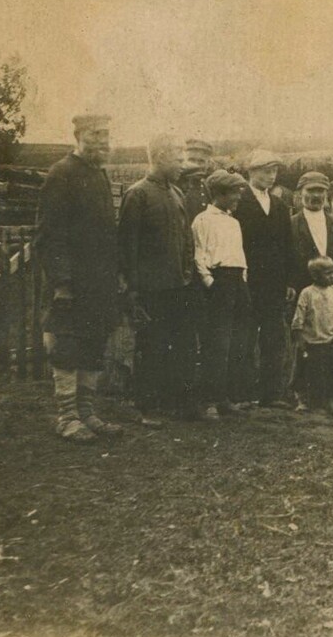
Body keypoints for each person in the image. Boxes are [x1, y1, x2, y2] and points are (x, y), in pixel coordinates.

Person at [35, 114, 122, 442]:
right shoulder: (61, 173)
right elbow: (50, 235)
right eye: (95, 134)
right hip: (70, 285)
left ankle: (87, 413)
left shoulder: (99, 175)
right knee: (68, 346)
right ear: (78, 135)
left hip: (98, 282)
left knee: (93, 345)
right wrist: (62, 282)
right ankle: (67, 416)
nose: (102, 140)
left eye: (106, 134)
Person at [118, 134, 198, 419]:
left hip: (178, 286)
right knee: (152, 344)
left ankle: (174, 402)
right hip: (151, 289)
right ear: (161, 157)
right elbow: (128, 246)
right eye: (177, 160)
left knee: (180, 344)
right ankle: (146, 405)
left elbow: (187, 239)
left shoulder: (176, 194)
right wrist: (133, 289)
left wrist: (186, 273)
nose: (182, 166)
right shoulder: (137, 194)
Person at [234, 150, 295, 408]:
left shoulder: (280, 206)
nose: (271, 176)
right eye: (265, 171)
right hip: (248, 280)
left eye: (274, 171)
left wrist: (290, 281)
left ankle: (271, 394)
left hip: (274, 283)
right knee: (245, 336)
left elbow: (288, 246)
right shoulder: (239, 201)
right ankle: (243, 393)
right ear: (251, 172)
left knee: (273, 337)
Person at [192, 170, 250, 421]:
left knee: (238, 340)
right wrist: (210, 282)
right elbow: (198, 254)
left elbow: (239, 255)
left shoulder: (234, 222)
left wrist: (243, 281)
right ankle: (208, 401)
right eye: (234, 192)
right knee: (217, 342)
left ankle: (225, 396)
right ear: (219, 194)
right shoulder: (203, 220)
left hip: (237, 282)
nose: (238, 197)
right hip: (219, 283)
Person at [291, 256, 333, 415]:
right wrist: (300, 339)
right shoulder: (307, 293)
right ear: (315, 275)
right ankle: (307, 402)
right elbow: (298, 318)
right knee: (309, 373)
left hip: (331, 341)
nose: (332, 276)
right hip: (312, 341)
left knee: (331, 374)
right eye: (327, 273)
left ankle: (329, 402)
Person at [290, 172, 333, 301]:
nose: (316, 195)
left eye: (321, 190)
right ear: (300, 193)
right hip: (302, 298)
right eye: (311, 190)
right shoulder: (290, 225)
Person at [180, 139, 215, 224]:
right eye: (191, 160)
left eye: (201, 161)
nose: (196, 165)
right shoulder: (177, 187)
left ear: (208, 164)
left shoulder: (208, 187)